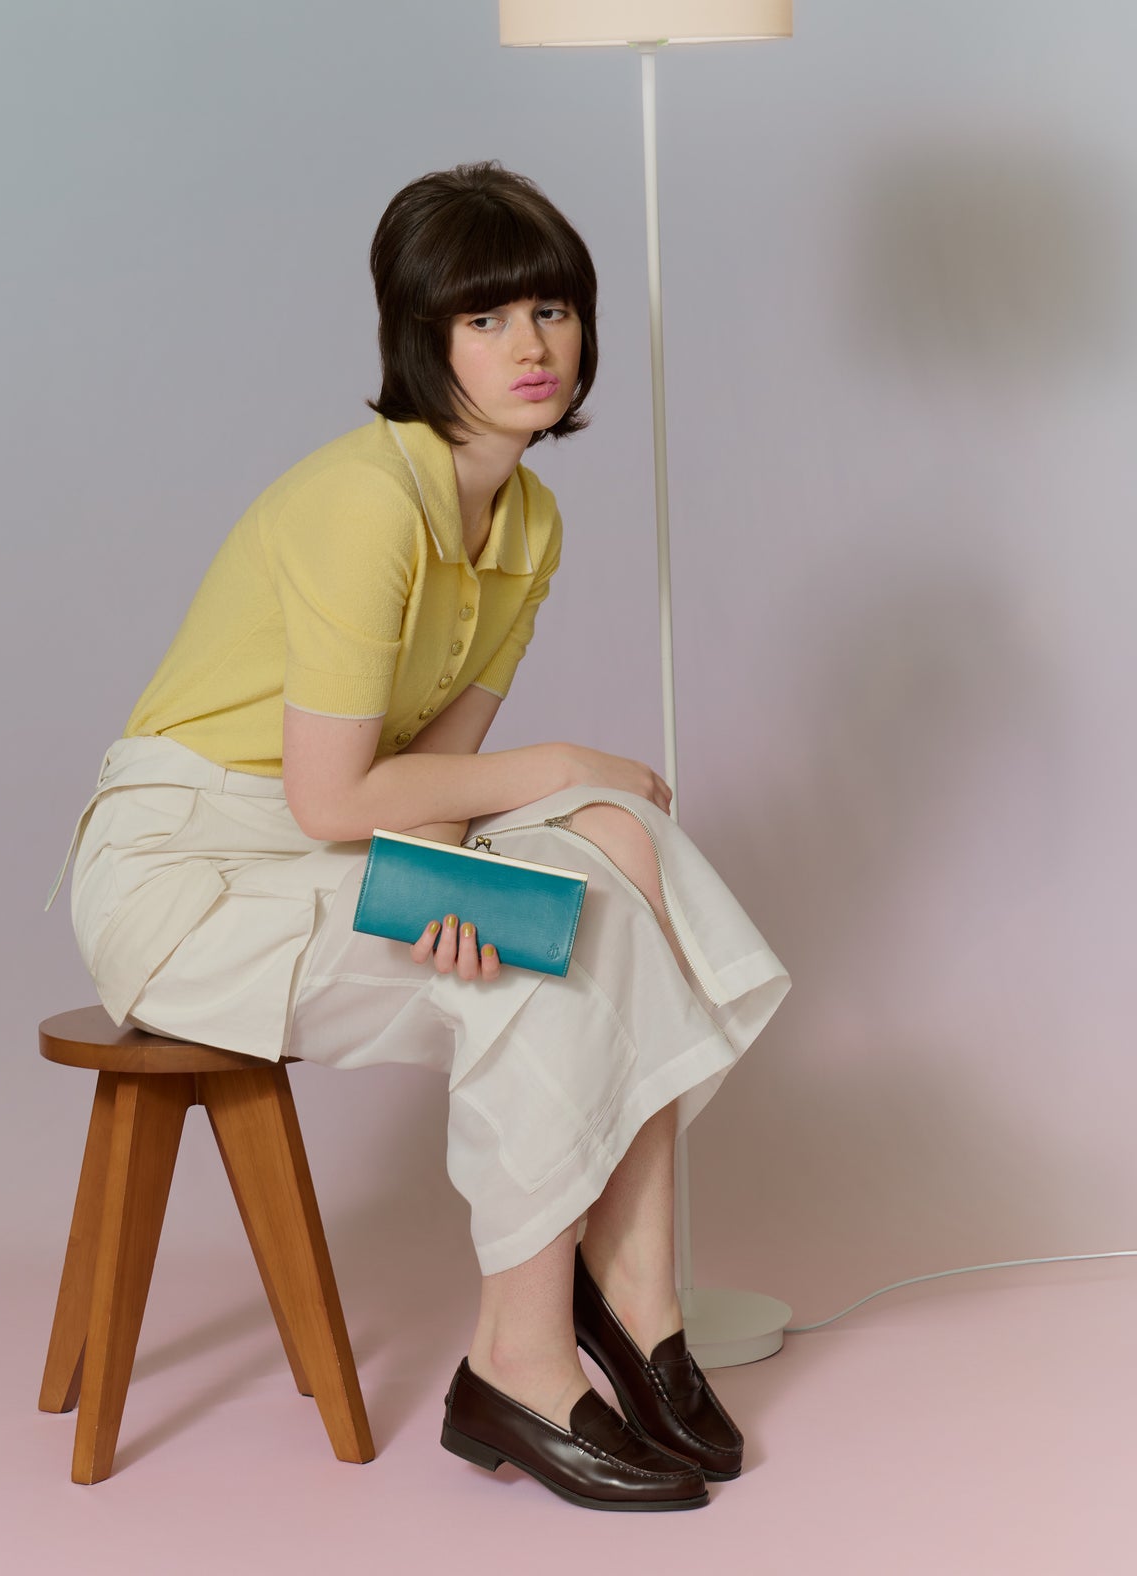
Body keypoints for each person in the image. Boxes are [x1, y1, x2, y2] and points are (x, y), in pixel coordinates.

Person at [45, 161, 791, 1511]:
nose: (531, 345)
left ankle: (636, 1300)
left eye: (552, 310)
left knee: (611, 848)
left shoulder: (530, 519)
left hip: (322, 849)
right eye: (486, 319)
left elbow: (430, 780)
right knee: (547, 944)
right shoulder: (365, 502)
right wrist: (558, 767)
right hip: (188, 874)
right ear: (421, 342)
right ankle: (521, 1359)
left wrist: (455, 867)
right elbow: (335, 799)